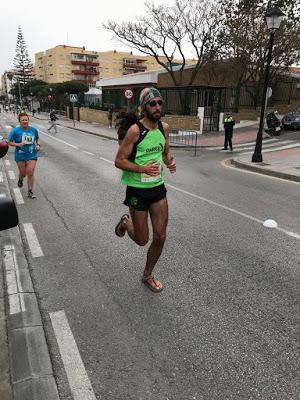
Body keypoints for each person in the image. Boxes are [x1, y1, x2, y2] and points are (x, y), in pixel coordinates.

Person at [114, 87, 176, 293]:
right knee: (142, 240)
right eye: (152, 104)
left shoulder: (164, 128)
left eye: (160, 103)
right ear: (143, 108)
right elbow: (119, 161)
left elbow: (165, 152)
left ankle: (148, 274)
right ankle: (125, 222)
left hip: (157, 189)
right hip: (137, 191)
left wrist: (170, 162)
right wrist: (142, 168)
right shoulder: (135, 131)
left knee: (160, 236)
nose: (157, 107)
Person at [7, 113, 41, 199]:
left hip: (32, 154)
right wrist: (18, 144)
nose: (25, 121)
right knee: (23, 173)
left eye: (26, 120)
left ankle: (30, 191)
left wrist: (38, 145)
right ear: (20, 122)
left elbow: (37, 138)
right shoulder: (15, 131)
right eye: (23, 120)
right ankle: (20, 179)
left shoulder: (33, 130)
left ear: (28, 121)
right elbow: (9, 142)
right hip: (20, 155)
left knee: (30, 172)